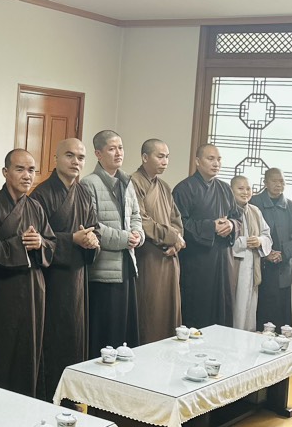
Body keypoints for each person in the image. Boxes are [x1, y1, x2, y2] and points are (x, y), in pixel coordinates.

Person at [0, 149, 56, 396]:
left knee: (27, 352)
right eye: (20, 169)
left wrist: (40, 243)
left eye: (31, 170)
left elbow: (51, 244)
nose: (27, 175)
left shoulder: (36, 208)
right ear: (5, 172)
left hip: (32, 292)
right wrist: (19, 245)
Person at [30, 137, 99, 400]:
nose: (75, 162)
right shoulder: (41, 194)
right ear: (56, 159)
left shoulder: (84, 193)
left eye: (80, 158)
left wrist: (92, 241)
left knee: (75, 336)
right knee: (53, 336)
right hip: (52, 279)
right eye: (69, 155)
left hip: (78, 277)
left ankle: (73, 396)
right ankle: (49, 395)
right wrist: (72, 239)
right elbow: (38, 240)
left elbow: (93, 228)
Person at [81, 131, 144, 355]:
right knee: (105, 333)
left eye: (120, 148)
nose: (118, 153)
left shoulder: (127, 181)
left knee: (125, 332)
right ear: (98, 154)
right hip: (103, 270)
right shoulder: (89, 184)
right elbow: (93, 226)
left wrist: (138, 235)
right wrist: (126, 239)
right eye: (111, 148)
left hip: (126, 264)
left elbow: (136, 215)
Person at [173, 144, 239, 328]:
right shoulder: (184, 189)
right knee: (197, 309)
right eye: (210, 159)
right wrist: (211, 227)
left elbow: (237, 217)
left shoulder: (225, 189)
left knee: (223, 307)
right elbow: (179, 224)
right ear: (197, 161)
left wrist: (231, 225)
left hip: (223, 260)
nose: (216, 163)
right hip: (197, 261)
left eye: (219, 159)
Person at [130, 138, 185, 341]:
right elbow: (140, 220)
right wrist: (172, 237)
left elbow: (176, 219)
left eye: (167, 157)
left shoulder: (164, 187)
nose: (165, 161)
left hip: (169, 256)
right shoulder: (133, 182)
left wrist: (176, 242)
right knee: (150, 310)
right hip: (148, 256)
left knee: (169, 310)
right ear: (145, 157)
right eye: (160, 156)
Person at [253, 167, 292, 331]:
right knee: (260, 304)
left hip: (283, 263)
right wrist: (266, 253)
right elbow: (250, 232)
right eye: (274, 181)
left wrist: (283, 254)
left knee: (281, 307)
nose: (278, 184)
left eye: (281, 181)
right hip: (260, 261)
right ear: (265, 182)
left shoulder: (290, 205)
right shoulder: (254, 202)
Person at [229, 175, 271, 331]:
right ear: (231, 190)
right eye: (240, 188)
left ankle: (246, 340)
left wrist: (259, 240)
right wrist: (243, 242)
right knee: (236, 308)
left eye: (248, 188)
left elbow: (267, 236)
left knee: (249, 308)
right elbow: (221, 241)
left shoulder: (255, 211)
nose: (245, 192)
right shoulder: (226, 209)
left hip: (253, 265)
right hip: (234, 265)